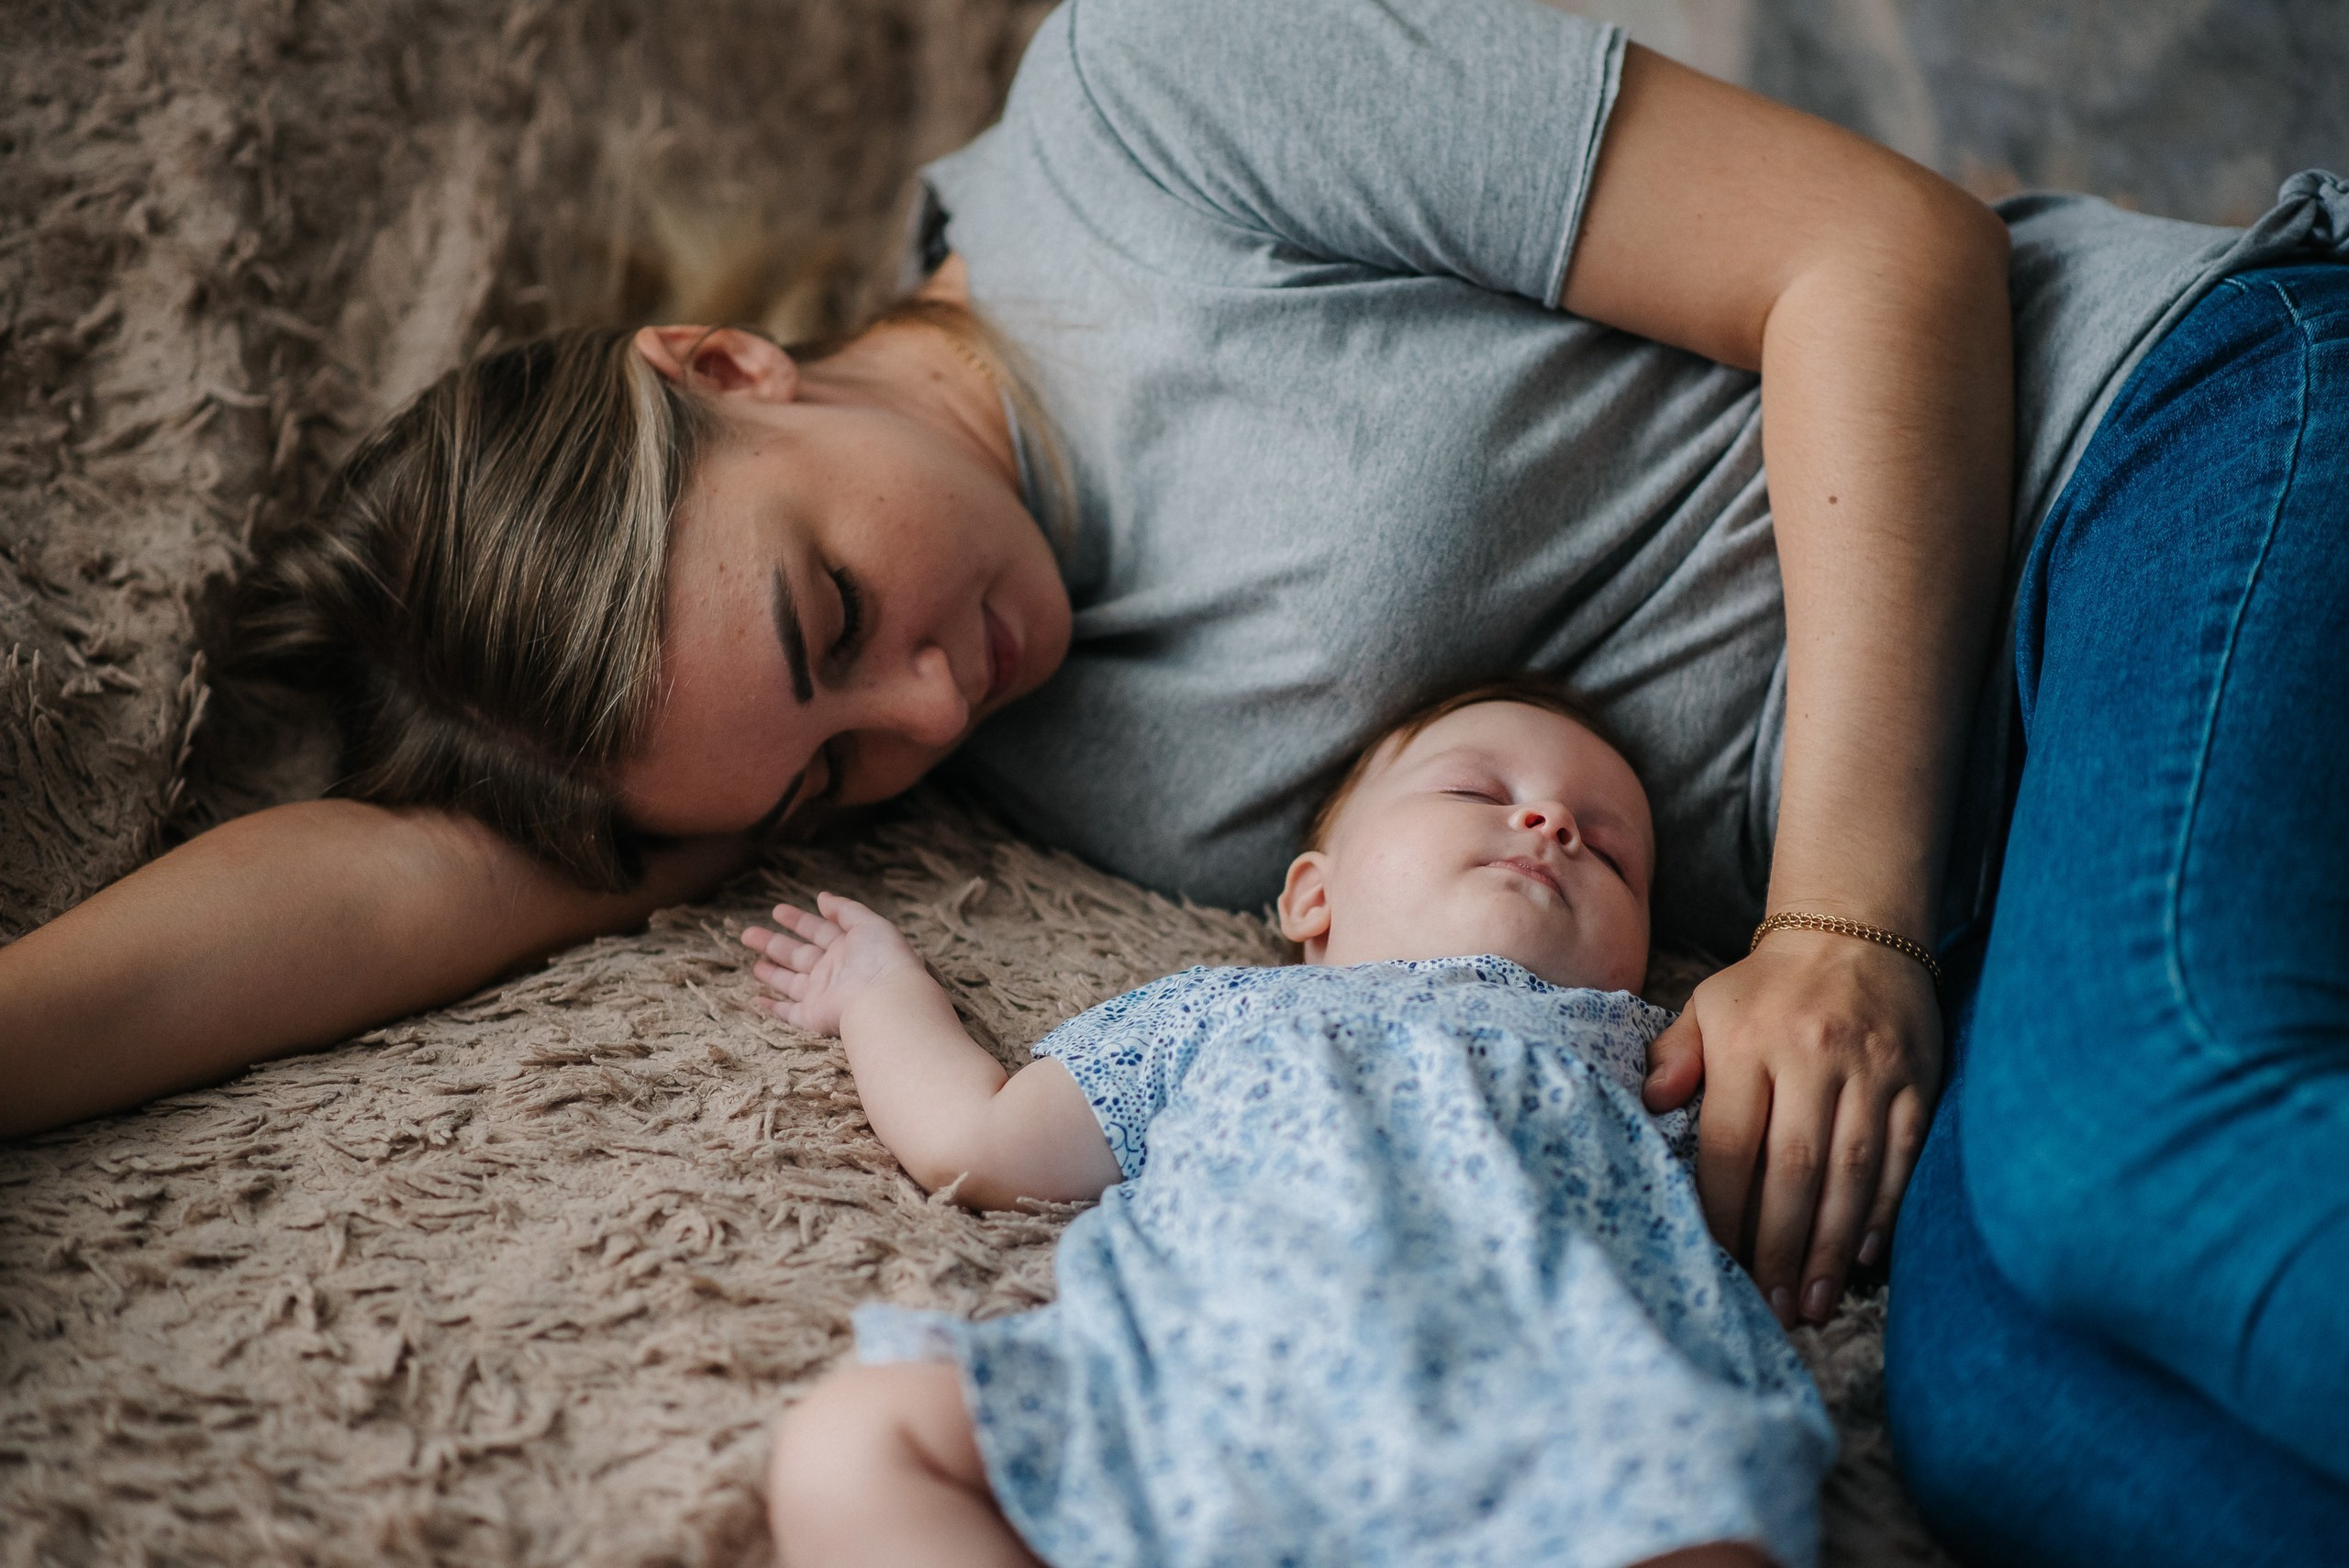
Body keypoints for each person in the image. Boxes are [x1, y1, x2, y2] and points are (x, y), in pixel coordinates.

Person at [0, 0, 2340, 1559]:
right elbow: (402, 883)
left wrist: (1834, 924)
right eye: (829, 775)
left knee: (2109, 1172)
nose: (922, 716)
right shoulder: (932, 726)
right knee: (2014, 1422)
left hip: (2148, 449)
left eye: (829, 623)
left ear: (728, 363)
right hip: (2056, 849)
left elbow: (1871, 248)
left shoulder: (1148, 113)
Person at [751, 682, 1837, 1568]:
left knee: (1706, 1512)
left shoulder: (1648, 1052)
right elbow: (977, 1143)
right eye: (1477, 788)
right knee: (855, 1442)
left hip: (1566, 1429)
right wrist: (877, 994)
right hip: (1210, 1400)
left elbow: (1795, 1159)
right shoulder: (1217, 1008)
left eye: (1609, 853)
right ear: (1311, 896)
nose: (1551, 824)